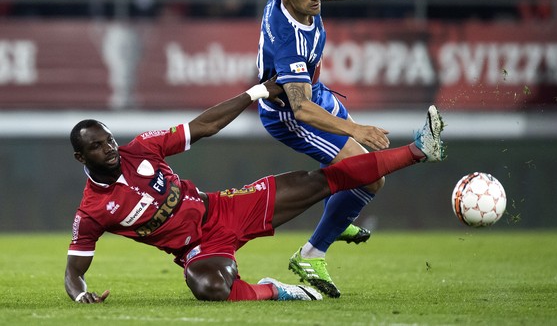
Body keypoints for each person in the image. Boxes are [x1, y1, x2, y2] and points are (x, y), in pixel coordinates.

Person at [64, 79, 445, 303]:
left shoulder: (142, 147)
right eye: (97, 146)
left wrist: (256, 92)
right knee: (210, 288)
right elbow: (74, 272)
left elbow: (205, 126)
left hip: (224, 209)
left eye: (109, 139)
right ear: (81, 157)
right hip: (196, 249)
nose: (109, 147)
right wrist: (80, 294)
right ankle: (276, 291)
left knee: (317, 182)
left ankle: (418, 150)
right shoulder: (92, 211)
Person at [255, 0, 420, 297]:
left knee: (359, 177)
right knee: (371, 178)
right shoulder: (289, 42)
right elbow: (301, 109)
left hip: (318, 94)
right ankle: (311, 254)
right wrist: (357, 130)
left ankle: (336, 220)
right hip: (291, 114)